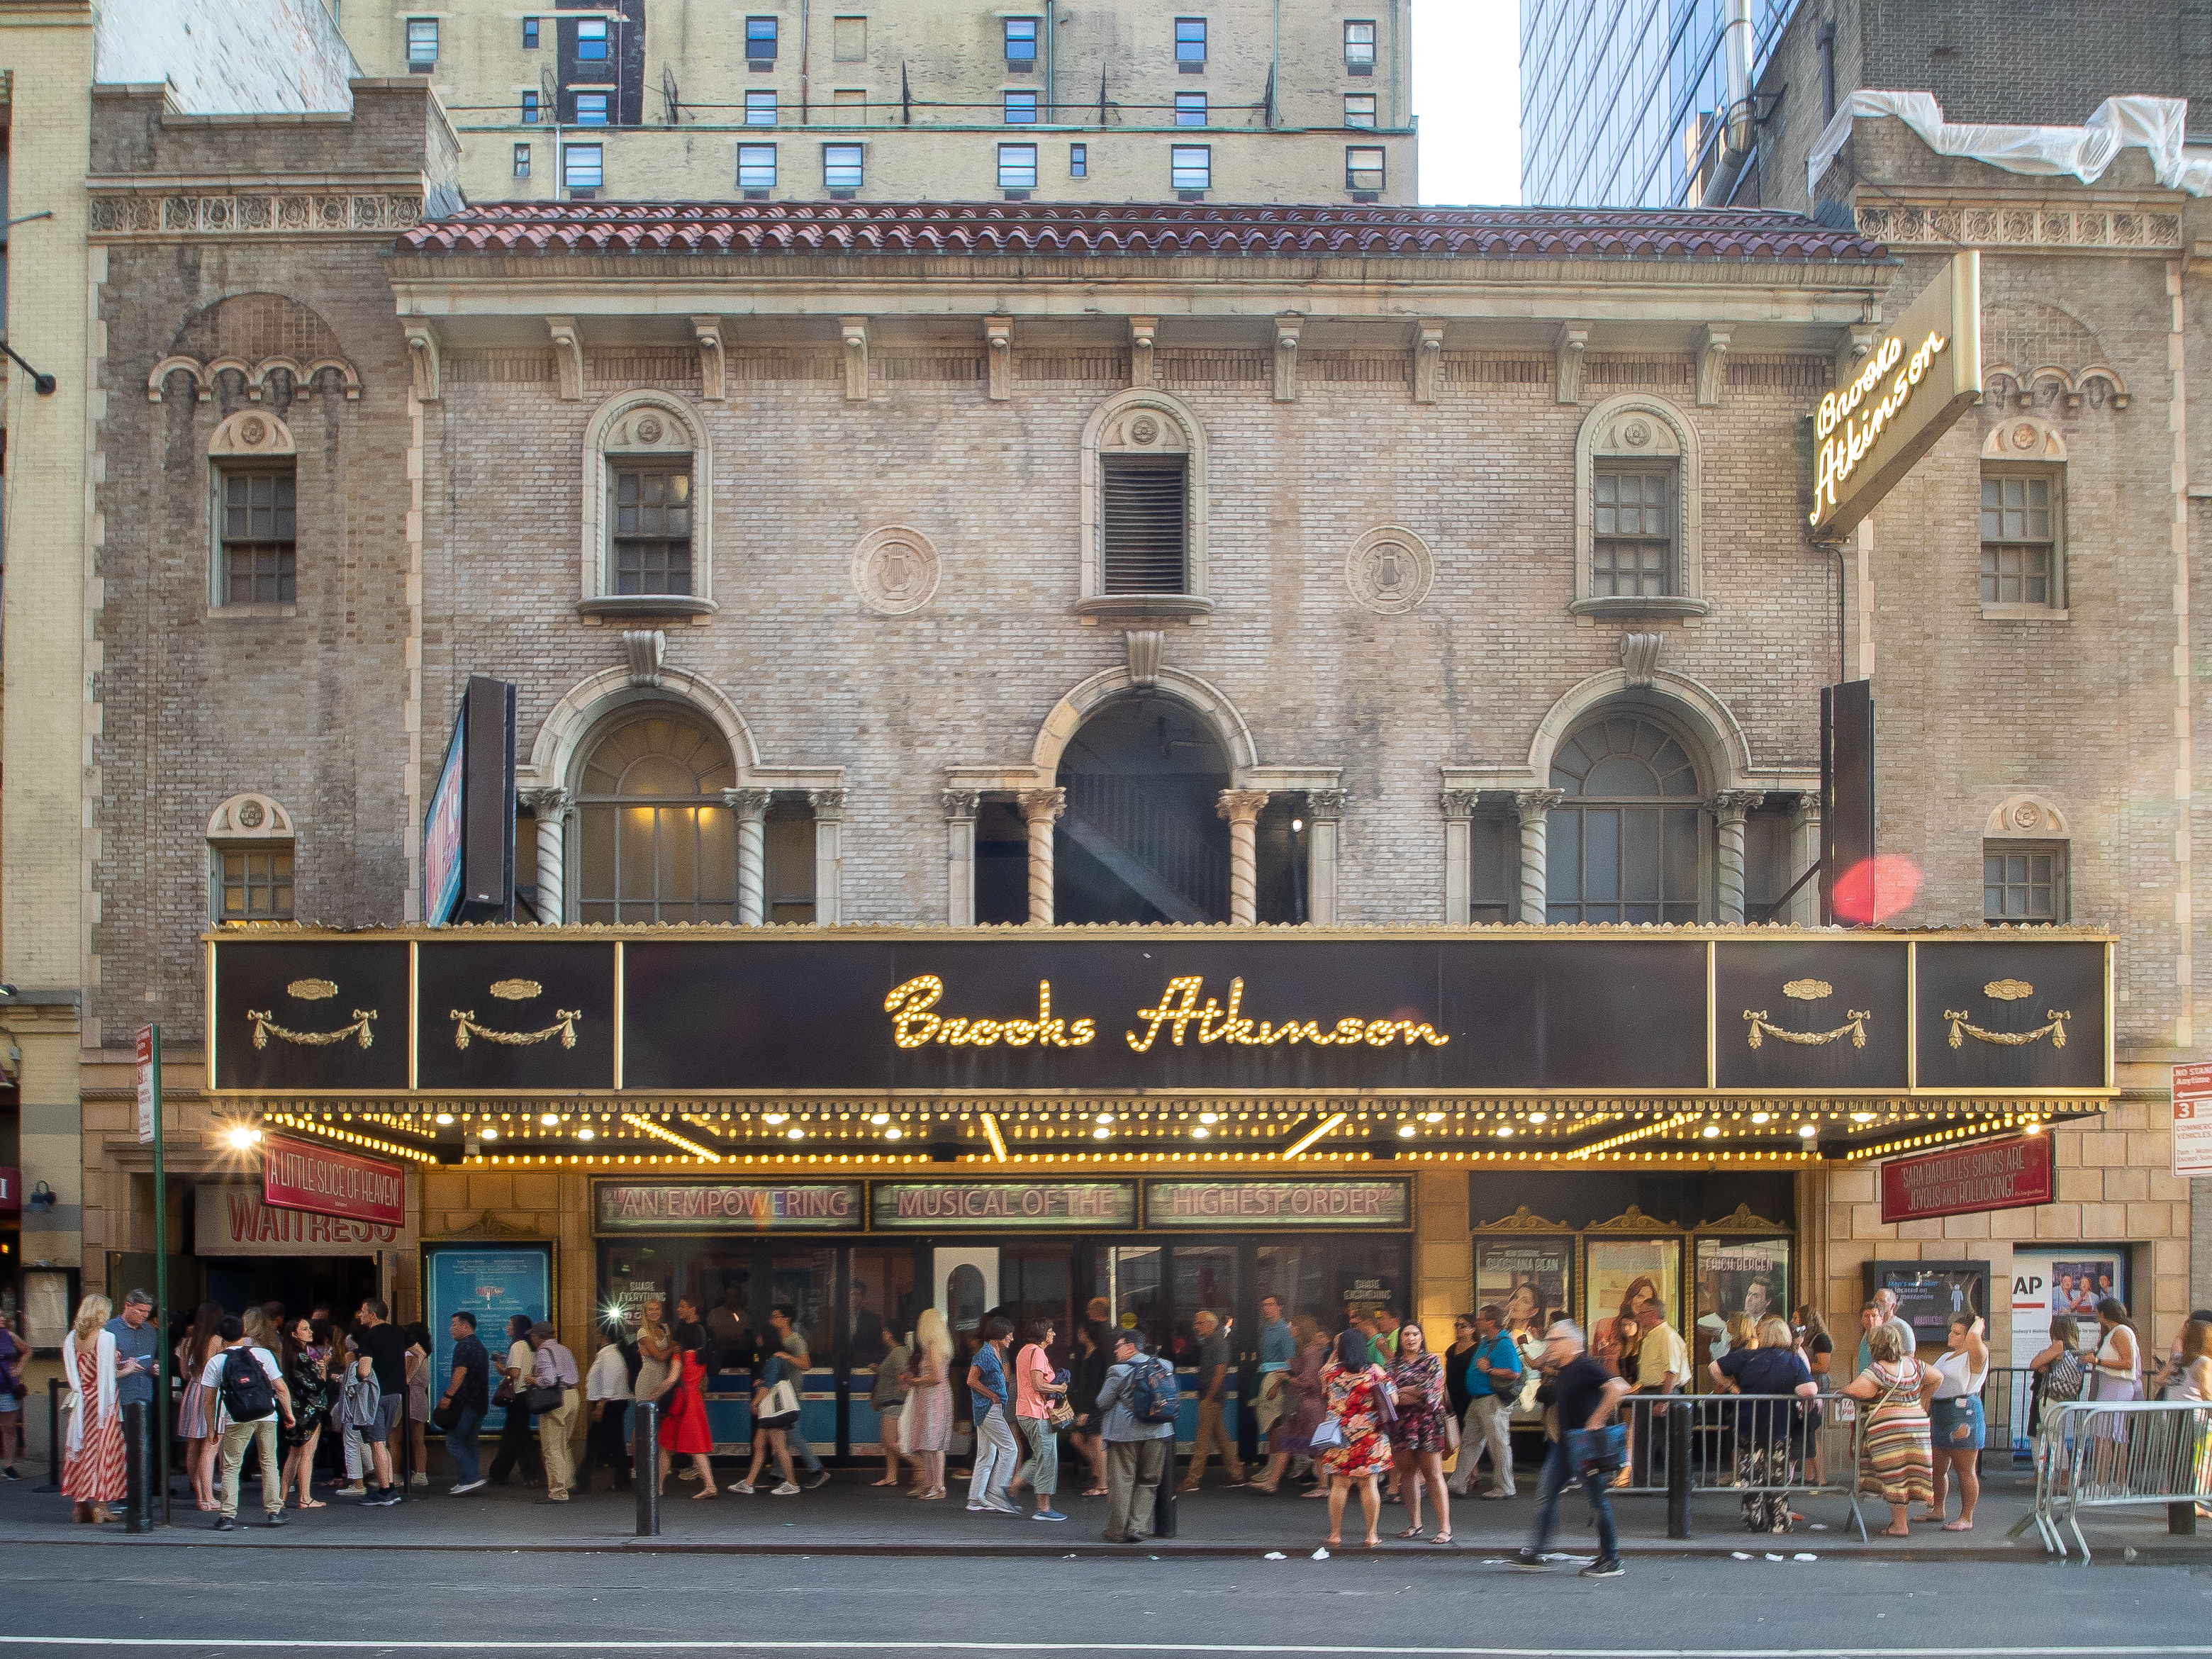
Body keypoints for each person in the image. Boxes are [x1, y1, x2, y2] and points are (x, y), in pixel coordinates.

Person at [1514, 1319, 1630, 1577]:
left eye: (1556, 1340)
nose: (1551, 1345)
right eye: (1550, 1340)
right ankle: (1537, 1551)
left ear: (1574, 1344)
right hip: (1564, 1445)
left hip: (1587, 1447)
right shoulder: (1564, 1366)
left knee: (1597, 1500)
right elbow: (1540, 1361)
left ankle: (1611, 1558)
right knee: (1546, 1495)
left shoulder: (1585, 1366)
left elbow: (1620, 1387)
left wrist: (1596, 1420)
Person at [1712, 1315, 1817, 1532]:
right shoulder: (1793, 1361)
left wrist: (1731, 1387)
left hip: (1747, 1425)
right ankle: (1778, 1521)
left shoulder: (1746, 1357)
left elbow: (1714, 1367)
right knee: (1777, 1476)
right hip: (1778, 1427)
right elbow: (1807, 1390)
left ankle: (1754, 1520)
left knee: (1750, 1475)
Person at [201, 1312, 294, 1531]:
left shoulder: (217, 1361)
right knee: (269, 1461)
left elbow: (208, 1401)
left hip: (236, 1416)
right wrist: (288, 1414)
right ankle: (274, 1511)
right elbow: (280, 1388)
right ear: (244, 1331)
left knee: (232, 1466)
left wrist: (211, 1428)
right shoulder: (262, 1354)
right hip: (267, 1414)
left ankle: (227, 1515)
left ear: (220, 1335)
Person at [1843, 1321, 1936, 1536]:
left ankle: (1899, 1525)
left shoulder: (1878, 1369)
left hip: (1889, 1431)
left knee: (1895, 1475)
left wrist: (1844, 1390)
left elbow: (1860, 1391)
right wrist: (1922, 1402)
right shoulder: (1913, 1364)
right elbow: (1937, 1377)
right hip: (1917, 1427)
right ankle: (1901, 1521)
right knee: (1909, 1474)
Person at [1097, 1328, 1175, 1543]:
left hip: (1125, 1434)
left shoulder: (1118, 1370)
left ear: (1131, 1347)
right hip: (1159, 1431)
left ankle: (1116, 1531)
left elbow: (1102, 1402)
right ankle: (1137, 1528)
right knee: (1149, 1481)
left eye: (1118, 1346)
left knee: (1122, 1481)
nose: (1115, 1350)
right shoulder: (1165, 1366)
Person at [1317, 1327, 1391, 1550]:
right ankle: (1371, 1535)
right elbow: (1393, 1400)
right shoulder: (1376, 1371)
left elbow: (1325, 1395)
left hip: (1339, 1436)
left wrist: (1335, 1355)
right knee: (1369, 1485)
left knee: (1339, 1484)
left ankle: (1335, 1534)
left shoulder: (1328, 1372)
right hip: (1370, 1435)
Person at [61, 1295, 128, 1525]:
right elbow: (108, 1377)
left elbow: (76, 1373)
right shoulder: (106, 1337)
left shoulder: (71, 1338)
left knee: (80, 1452)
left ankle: (80, 1507)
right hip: (102, 1404)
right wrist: (127, 1369)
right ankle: (101, 1506)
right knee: (103, 1451)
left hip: (81, 1402)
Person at [1389, 1320, 1453, 1544]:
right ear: (1401, 1339)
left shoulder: (1432, 1360)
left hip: (1428, 1424)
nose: (1411, 1338)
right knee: (1407, 1474)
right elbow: (1389, 1395)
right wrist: (1410, 1392)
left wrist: (1404, 1391)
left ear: (1422, 1337)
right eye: (1406, 1335)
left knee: (1433, 1475)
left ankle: (1445, 1527)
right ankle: (1415, 1524)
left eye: (1415, 1334)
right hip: (1402, 1426)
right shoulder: (1392, 1365)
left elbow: (1434, 1390)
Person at [1922, 1314, 1988, 1531]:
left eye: (1958, 1332)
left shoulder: (1976, 1354)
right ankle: (1937, 1508)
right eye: (1951, 1330)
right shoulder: (1946, 1356)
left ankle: (1966, 1517)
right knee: (1938, 1468)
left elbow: (1976, 1338)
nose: (1951, 1334)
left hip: (1963, 1413)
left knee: (1964, 1470)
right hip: (1941, 1412)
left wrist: (1977, 1325)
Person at [1452, 1304, 1521, 1499]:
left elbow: (1514, 1372)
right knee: (1470, 1441)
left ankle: (1506, 1487)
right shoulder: (1487, 1341)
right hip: (1479, 1399)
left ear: (1491, 1322)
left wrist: (1489, 1370)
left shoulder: (1503, 1343)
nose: (1478, 1322)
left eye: (1481, 1319)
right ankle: (1457, 1483)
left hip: (1492, 1399)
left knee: (1498, 1443)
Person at [766, 1303, 833, 1490]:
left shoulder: (795, 1340)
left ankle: (817, 1470)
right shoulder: (776, 1338)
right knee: (784, 1434)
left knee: (793, 1433)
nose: (772, 1320)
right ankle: (777, 1475)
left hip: (791, 1393)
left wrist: (787, 1357)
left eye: (776, 1316)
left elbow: (806, 1364)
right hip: (780, 1392)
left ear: (786, 1319)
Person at [1007, 1316, 1068, 1521]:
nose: (1054, 1334)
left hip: (1025, 1411)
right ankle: (1043, 1508)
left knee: (1041, 1456)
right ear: (1043, 1333)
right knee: (1047, 1460)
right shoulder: (1038, 1352)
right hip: (1037, 1413)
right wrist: (1058, 1387)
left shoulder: (1024, 1351)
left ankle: (1013, 1488)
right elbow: (1038, 1385)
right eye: (1051, 1331)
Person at [352, 1299, 409, 1506]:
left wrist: (356, 1368)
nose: (360, 1315)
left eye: (363, 1311)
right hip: (395, 1394)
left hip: (375, 1395)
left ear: (373, 1315)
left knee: (377, 1443)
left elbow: (365, 1370)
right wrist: (407, 1377)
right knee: (383, 1441)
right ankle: (390, 1486)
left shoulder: (367, 1338)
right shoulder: (398, 1332)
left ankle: (385, 1491)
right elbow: (419, 1353)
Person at [1180, 1308, 1245, 1490]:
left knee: (1202, 1438)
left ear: (1211, 1323)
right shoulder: (1210, 1342)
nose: (1196, 1327)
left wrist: (1208, 1397)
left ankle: (1193, 1479)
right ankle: (1237, 1474)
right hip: (1210, 1396)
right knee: (1220, 1437)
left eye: (1199, 1323)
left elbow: (1220, 1372)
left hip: (1212, 1397)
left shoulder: (1218, 1343)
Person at [964, 1312, 1022, 1515]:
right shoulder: (985, 1354)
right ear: (999, 1334)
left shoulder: (994, 1353)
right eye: (1009, 1335)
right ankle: (996, 1493)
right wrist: (992, 1395)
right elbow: (971, 1381)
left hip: (989, 1409)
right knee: (1010, 1449)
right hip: (989, 1409)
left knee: (986, 1455)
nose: (1012, 1339)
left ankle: (975, 1498)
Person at [655, 1323, 716, 1499]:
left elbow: (672, 1379)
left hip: (680, 1401)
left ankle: (657, 1487)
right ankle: (710, 1485)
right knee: (697, 1446)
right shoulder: (701, 1357)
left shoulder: (678, 1356)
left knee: (666, 1445)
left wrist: (656, 1392)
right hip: (695, 1398)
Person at [177, 1300, 226, 1512]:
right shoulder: (218, 1340)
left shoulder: (187, 1342)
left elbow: (185, 1374)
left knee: (193, 1446)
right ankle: (208, 1497)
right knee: (210, 1446)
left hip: (193, 1391)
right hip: (212, 1394)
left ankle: (200, 1495)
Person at [277, 1316, 331, 1510]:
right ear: (294, 1334)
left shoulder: (289, 1356)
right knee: (307, 1455)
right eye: (305, 1329)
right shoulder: (302, 1357)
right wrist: (323, 1370)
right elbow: (317, 1385)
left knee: (294, 1454)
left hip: (295, 1409)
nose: (310, 1332)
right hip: (310, 1411)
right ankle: (305, 1497)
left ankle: (282, 1497)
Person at [489, 1312, 547, 1488]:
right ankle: (500, 1472)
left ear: (517, 1328)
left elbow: (514, 1373)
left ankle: (532, 1474)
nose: (507, 1328)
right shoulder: (527, 1347)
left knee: (520, 1437)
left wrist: (500, 1367)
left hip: (517, 1396)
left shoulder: (516, 1346)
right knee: (513, 1436)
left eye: (509, 1325)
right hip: (525, 1395)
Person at [525, 1322, 581, 1503]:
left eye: (533, 1336)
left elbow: (549, 1380)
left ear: (538, 1337)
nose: (532, 1339)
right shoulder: (564, 1349)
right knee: (563, 1443)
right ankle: (568, 1482)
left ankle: (558, 1492)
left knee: (552, 1448)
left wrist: (533, 1379)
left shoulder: (543, 1352)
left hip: (556, 1400)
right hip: (573, 1395)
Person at [579, 1317, 633, 1494]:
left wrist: (600, 1406)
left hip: (610, 1403)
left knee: (598, 1442)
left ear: (604, 1336)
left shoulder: (609, 1356)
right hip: (613, 1403)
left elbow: (609, 1383)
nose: (593, 1336)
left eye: (596, 1332)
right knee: (612, 1442)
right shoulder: (612, 1354)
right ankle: (621, 1479)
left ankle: (583, 1480)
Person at [439, 1309, 491, 1496]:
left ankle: (470, 1478)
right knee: (470, 1442)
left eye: (454, 1324)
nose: (450, 1328)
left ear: (465, 1326)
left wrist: (448, 1396)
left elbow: (460, 1372)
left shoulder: (463, 1346)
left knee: (454, 1442)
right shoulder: (479, 1346)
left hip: (465, 1402)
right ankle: (467, 1480)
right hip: (480, 1402)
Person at [904, 1306, 953, 1502]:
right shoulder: (942, 1345)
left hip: (934, 1397)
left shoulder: (932, 1346)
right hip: (936, 1396)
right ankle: (930, 1483)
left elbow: (936, 1377)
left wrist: (915, 1381)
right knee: (931, 1442)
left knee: (933, 1443)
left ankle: (938, 1486)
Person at [1065, 1322, 1110, 1497]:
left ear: (1088, 1333)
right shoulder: (1082, 1354)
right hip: (1083, 1405)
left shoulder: (1099, 1355)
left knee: (1096, 1441)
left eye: (1081, 1330)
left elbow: (1096, 1386)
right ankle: (1102, 1472)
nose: (1079, 1334)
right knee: (1077, 1439)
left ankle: (1103, 1483)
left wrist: (1087, 1410)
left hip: (1094, 1406)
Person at [1792, 1305, 1834, 1482]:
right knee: (1808, 1431)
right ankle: (1809, 1475)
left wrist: (1804, 1364)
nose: (1793, 1321)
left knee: (1812, 1431)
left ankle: (1821, 1477)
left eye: (1796, 1318)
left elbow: (1824, 1367)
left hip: (1817, 1386)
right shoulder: (1807, 1339)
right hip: (1809, 1385)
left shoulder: (1821, 1339)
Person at [870, 1325, 912, 1488]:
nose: (883, 1334)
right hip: (889, 1402)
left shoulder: (899, 1351)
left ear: (892, 1334)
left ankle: (920, 1465)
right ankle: (891, 1476)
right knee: (890, 1442)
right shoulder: (895, 1352)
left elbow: (903, 1372)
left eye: (886, 1331)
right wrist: (879, 1370)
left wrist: (898, 1388)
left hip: (894, 1402)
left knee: (889, 1442)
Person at [2028, 1313, 2085, 1434]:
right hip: (2064, 1398)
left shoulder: (2059, 1345)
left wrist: (2043, 1356)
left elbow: (2034, 1364)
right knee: (2056, 1437)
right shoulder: (2073, 1350)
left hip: (2051, 1398)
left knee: (2052, 1438)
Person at [1441, 1313, 1477, 1496]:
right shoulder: (1452, 1348)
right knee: (1455, 1431)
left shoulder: (1477, 1348)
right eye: (1457, 1325)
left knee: (1468, 1434)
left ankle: (1472, 1472)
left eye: (1463, 1326)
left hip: (1468, 1394)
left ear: (1473, 1329)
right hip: (1452, 1393)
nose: (1459, 1329)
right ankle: (1472, 1472)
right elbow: (1448, 1375)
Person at [401, 1322, 432, 1488]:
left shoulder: (409, 1354)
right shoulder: (425, 1355)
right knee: (418, 1440)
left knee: (395, 1438)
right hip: (421, 1397)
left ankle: (395, 1475)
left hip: (409, 1396)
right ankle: (421, 1474)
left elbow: (405, 1375)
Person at [1856, 1290, 1916, 1373]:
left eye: (1881, 1301)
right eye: (1875, 1300)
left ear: (1893, 1306)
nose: (1877, 1303)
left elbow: (1909, 1359)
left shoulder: (1902, 1327)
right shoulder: (1873, 1324)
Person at [0, 1309, 27, 1480]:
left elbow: (26, 1350)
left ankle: (8, 1465)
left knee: (9, 1427)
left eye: (2, 1315)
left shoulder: (9, 1335)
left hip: (8, 1388)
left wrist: (19, 1367)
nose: (2, 1318)